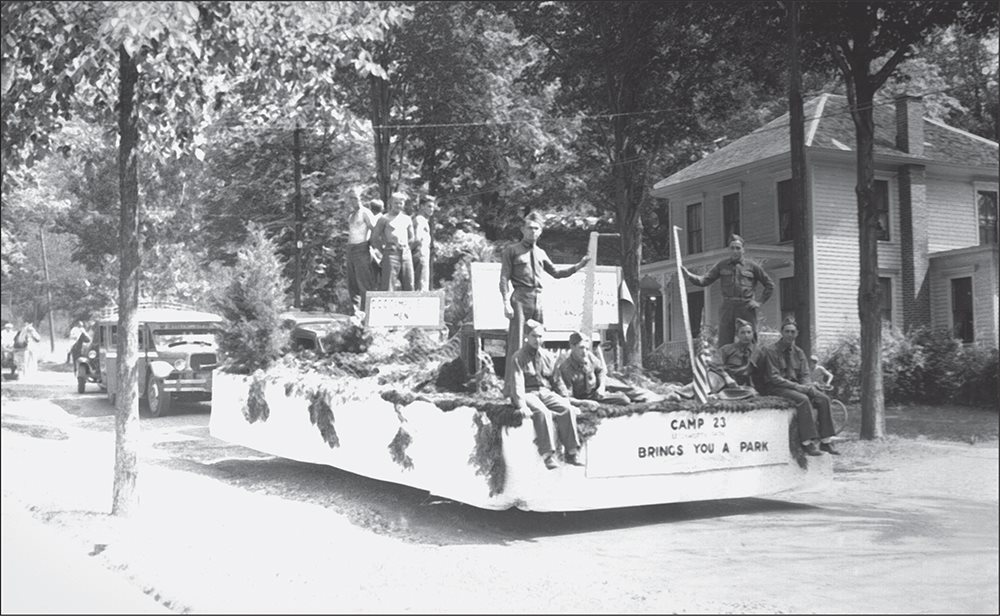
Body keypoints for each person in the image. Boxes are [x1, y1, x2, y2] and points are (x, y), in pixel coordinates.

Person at [499, 211, 589, 396]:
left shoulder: (541, 253)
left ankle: (539, 385)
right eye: (529, 228)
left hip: (538, 299)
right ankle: (511, 389)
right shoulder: (512, 250)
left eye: (536, 228)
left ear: (541, 232)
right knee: (516, 344)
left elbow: (556, 273)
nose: (532, 231)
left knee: (538, 343)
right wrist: (506, 303)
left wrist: (579, 266)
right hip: (520, 299)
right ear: (523, 229)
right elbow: (503, 278)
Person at [510, 320, 584, 470]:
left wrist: (567, 400)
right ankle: (548, 455)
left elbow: (557, 381)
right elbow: (517, 383)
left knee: (566, 409)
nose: (538, 340)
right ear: (526, 337)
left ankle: (571, 452)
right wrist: (522, 405)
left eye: (540, 336)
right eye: (534, 336)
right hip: (527, 393)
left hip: (545, 391)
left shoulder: (548, 356)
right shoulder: (518, 357)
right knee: (542, 412)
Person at [760, 316, 839, 456]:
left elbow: (804, 374)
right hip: (777, 387)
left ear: (797, 334)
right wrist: (799, 387)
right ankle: (807, 443)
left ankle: (826, 441)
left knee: (823, 398)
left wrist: (808, 386)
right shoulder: (771, 351)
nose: (790, 335)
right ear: (781, 332)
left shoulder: (799, 352)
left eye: (792, 332)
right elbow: (774, 377)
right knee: (803, 399)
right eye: (787, 331)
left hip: (796, 386)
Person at [681, 233, 774, 346]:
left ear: (743, 250)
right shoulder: (722, 265)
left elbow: (769, 284)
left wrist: (759, 302)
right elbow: (705, 280)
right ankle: (726, 363)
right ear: (729, 250)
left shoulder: (752, 266)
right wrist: (689, 275)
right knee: (725, 341)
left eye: (738, 248)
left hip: (746, 307)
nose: (735, 251)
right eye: (732, 248)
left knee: (749, 339)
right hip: (727, 306)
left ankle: (752, 362)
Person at [345, 185, 380, 316]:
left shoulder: (365, 212)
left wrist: (371, 245)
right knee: (352, 282)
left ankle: (368, 312)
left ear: (361, 199)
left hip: (361, 248)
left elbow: (374, 229)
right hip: (350, 249)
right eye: (351, 199)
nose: (354, 201)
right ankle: (355, 312)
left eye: (356, 198)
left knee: (364, 281)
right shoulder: (351, 215)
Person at [371, 190, 415, 291]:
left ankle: (409, 306)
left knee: (409, 283)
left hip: (405, 254)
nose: (398, 205)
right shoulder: (384, 218)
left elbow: (412, 238)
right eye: (396, 203)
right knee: (388, 285)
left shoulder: (407, 219)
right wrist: (383, 251)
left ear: (404, 204)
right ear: (390, 203)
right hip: (391, 253)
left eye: (401, 203)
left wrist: (407, 248)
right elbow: (374, 238)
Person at [718, 318, 759, 388]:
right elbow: (716, 365)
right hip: (727, 383)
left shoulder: (760, 351)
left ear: (753, 334)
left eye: (749, 332)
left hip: (749, 386)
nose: (746, 336)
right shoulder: (727, 349)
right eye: (742, 333)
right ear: (737, 334)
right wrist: (726, 377)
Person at [411, 194, 434, 291]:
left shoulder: (423, 220)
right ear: (421, 206)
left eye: (433, 207)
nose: (432, 209)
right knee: (421, 285)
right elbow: (417, 238)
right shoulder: (420, 219)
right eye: (429, 206)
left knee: (421, 283)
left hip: (422, 253)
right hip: (420, 254)